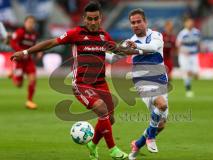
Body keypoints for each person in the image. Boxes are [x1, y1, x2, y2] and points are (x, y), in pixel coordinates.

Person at [11, 2, 128, 160]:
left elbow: (118, 50)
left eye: (96, 19)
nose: (93, 22)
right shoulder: (76, 33)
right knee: (101, 109)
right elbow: (51, 42)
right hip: (82, 84)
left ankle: (93, 145)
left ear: (100, 18)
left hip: (101, 82)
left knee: (110, 119)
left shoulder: (103, 35)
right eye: (89, 19)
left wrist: (138, 49)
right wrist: (25, 51)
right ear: (84, 19)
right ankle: (113, 150)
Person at [112, 8, 169, 160]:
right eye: (133, 23)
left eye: (138, 21)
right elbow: (113, 57)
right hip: (143, 81)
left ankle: (137, 144)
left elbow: (153, 48)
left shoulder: (156, 35)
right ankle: (150, 137)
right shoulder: (129, 42)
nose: (136, 25)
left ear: (145, 22)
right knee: (162, 105)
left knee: (161, 124)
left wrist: (135, 47)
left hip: (161, 80)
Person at [10, 15, 43, 109]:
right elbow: (13, 42)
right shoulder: (20, 32)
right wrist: (20, 52)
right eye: (29, 22)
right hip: (19, 61)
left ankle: (29, 101)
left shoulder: (35, 34)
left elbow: (36, 45)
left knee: (33, 78)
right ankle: (13, 74)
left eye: (32, 23)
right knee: (19, 85)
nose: (30, 24)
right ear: (25, 23)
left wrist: (39, 52)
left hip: (28, 61)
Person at [176, 17, 201, 97]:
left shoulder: (197, 32)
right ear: (185, 24)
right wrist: (182, 51)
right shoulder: (182, 33)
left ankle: (192, 75)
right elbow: (177, 44)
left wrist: (200, 49)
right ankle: (188, 89)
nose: (190, 24)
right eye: (188, 22)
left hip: (193, 55)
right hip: (184, 56)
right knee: (187, 72)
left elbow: (198, 43)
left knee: (196, 75)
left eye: (191, 22)